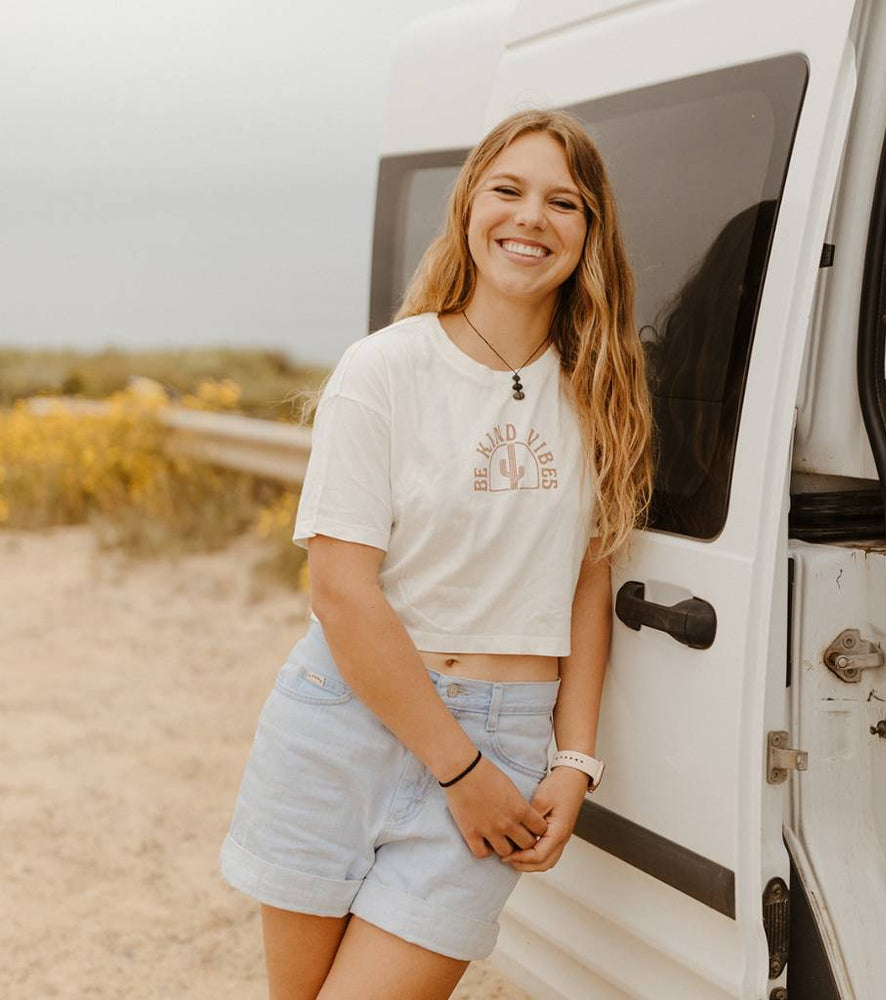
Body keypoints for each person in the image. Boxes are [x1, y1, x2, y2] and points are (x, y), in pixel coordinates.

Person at [218, 108, 654, 1000]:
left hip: (507, 734)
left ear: (590, 232)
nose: (531, 217)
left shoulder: (603, 390)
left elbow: (586, 582)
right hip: (346, 719)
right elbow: (341, 593)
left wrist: (573, 760)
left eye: (562, 202)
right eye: (508, 190)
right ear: (467, 209)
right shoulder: (382, 369)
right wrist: (457, 769)